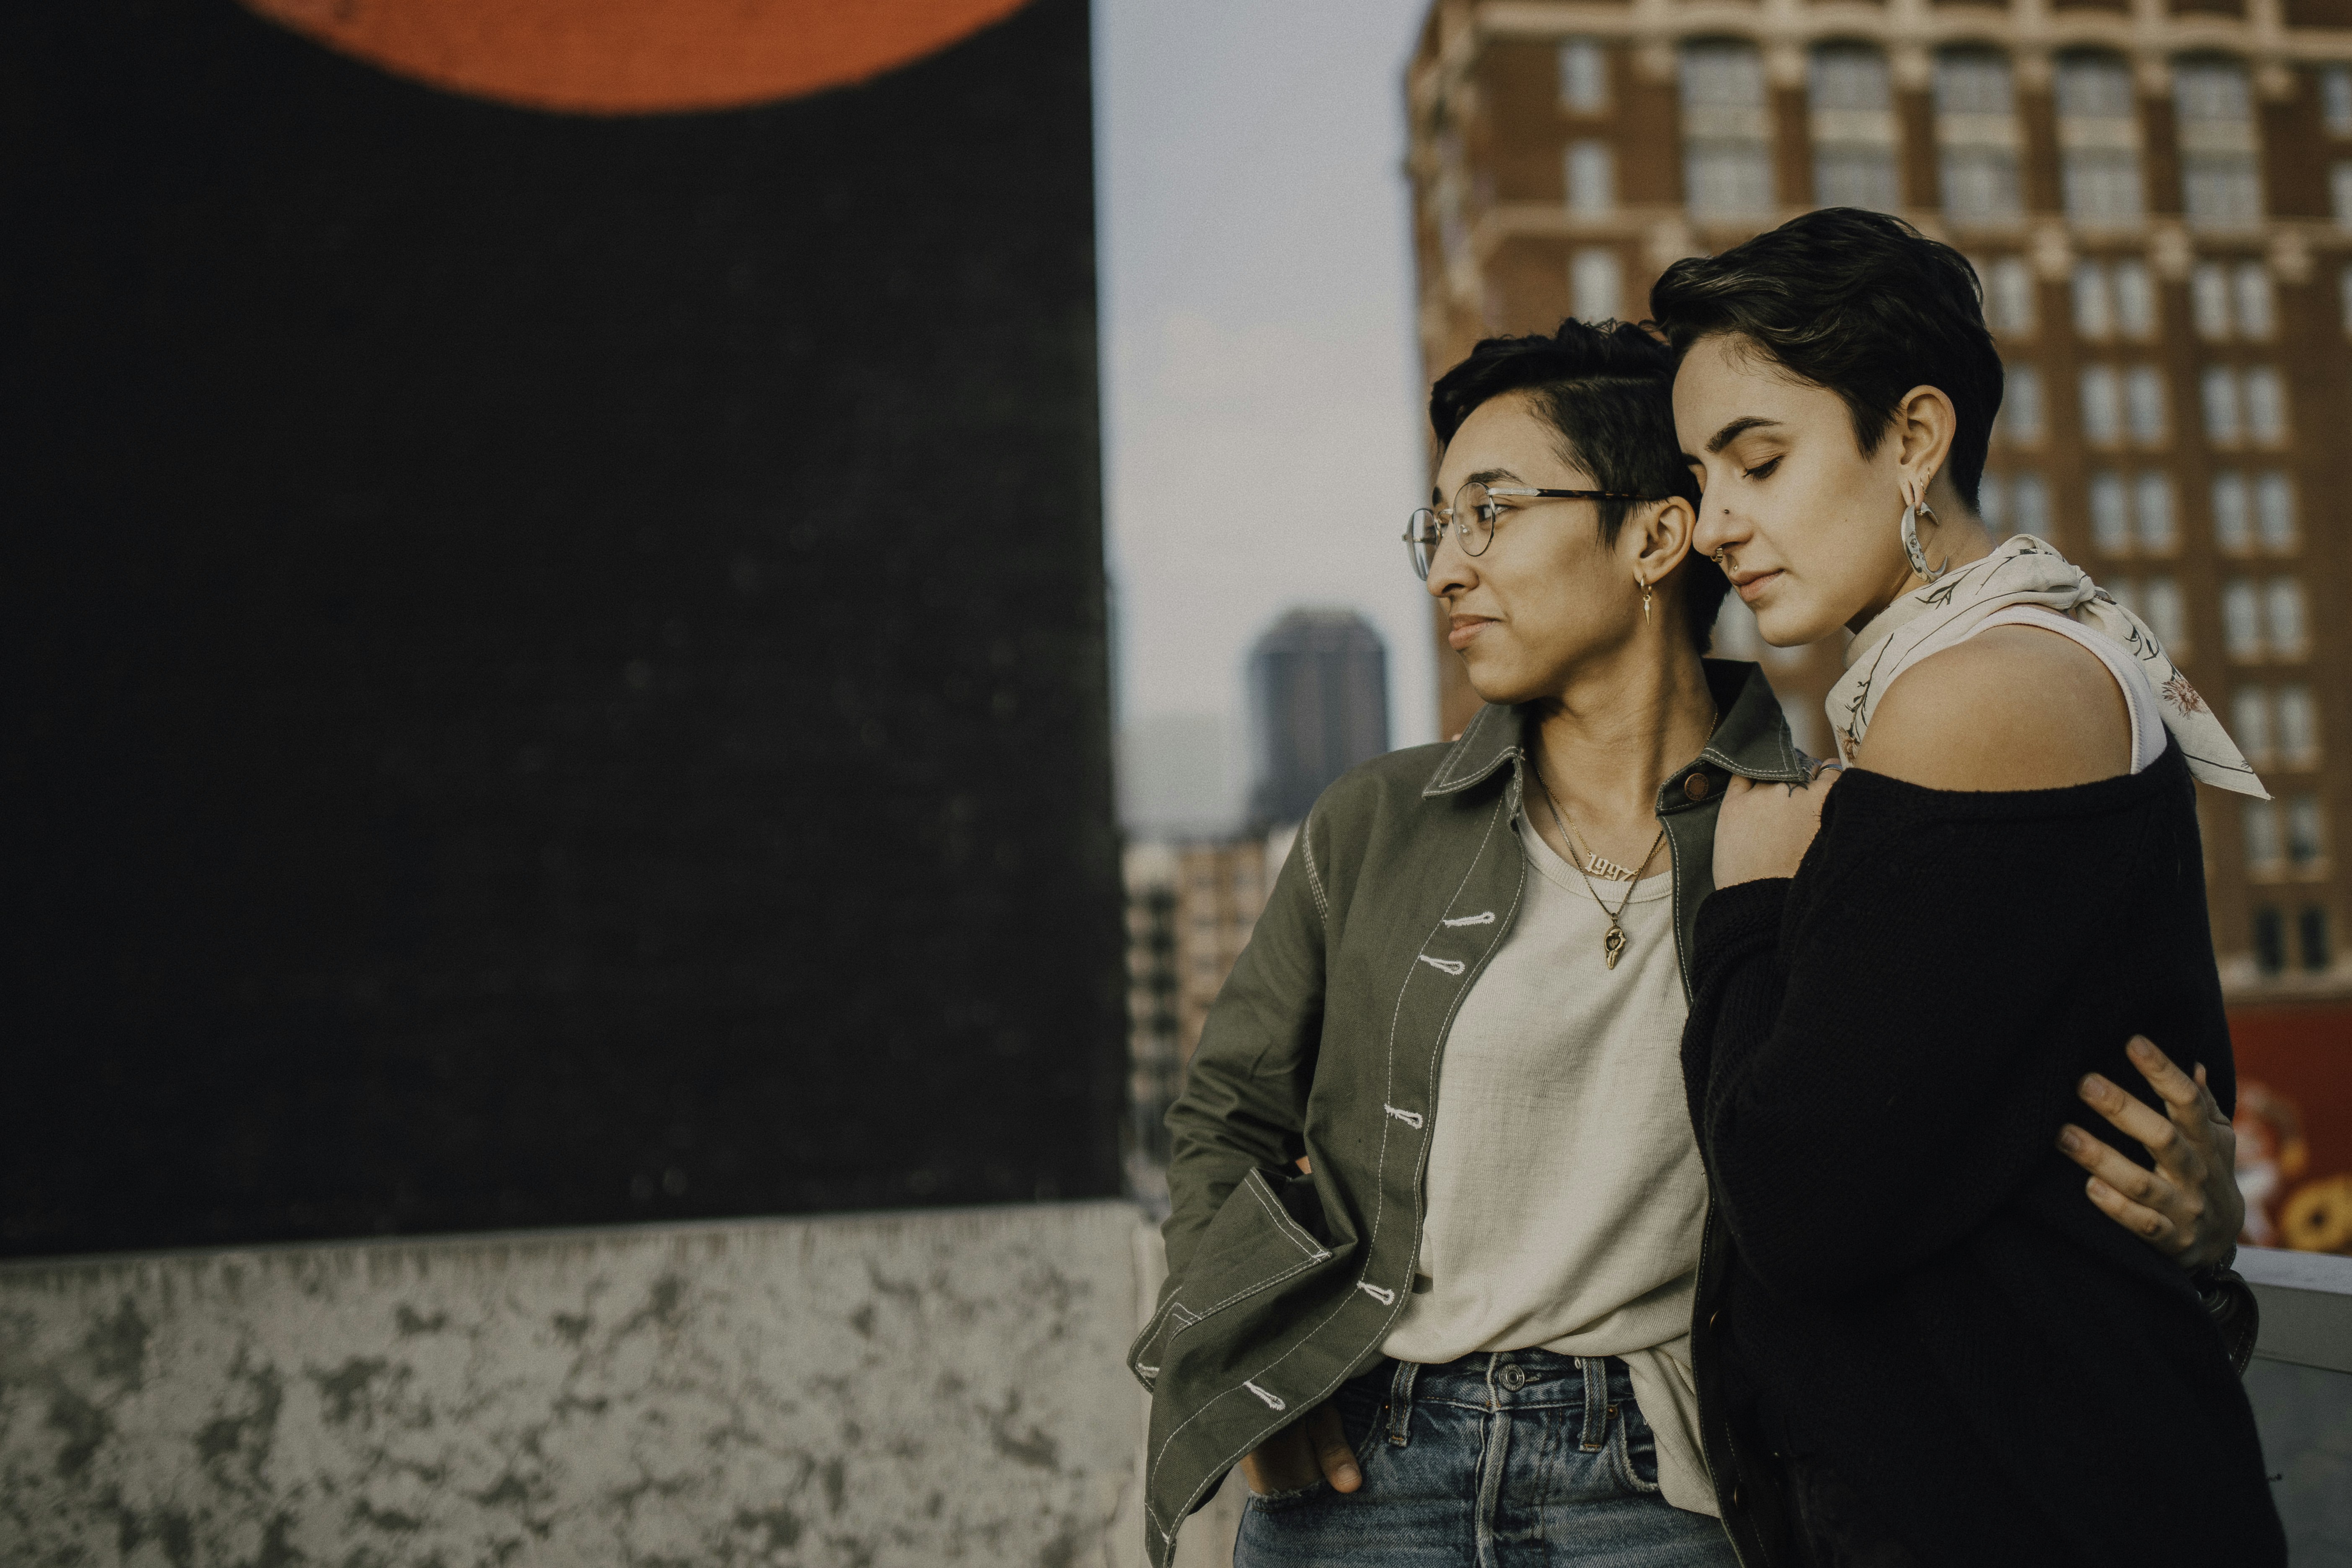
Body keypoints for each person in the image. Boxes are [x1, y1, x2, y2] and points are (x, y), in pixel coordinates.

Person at [1126, 317, 2249, 1568]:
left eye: (1489, 512)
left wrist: (2203, 1233)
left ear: (1657, 535)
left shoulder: (1835, 829)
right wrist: (1243, 1371)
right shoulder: (1374, 824)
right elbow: (1225, 1118)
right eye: (1437, 524)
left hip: (1666, 1487)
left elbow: (1937, 1157)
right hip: (1361, 1474)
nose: (1446, 566)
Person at [1660, 208, 2284, 1566]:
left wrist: (1750, 907)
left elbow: (1801, 1205)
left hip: (2042, 1503)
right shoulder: (1934, 683)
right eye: (1699, 475)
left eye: (1757, 462)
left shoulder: (1986, 692)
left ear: (1917, 439)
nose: (1714, 523)